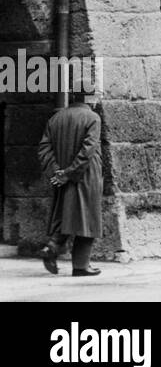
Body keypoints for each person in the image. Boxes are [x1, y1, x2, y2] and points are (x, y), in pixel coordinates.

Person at [37, 84, 104, 276]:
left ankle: (51, 247)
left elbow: (44, 149)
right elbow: (88, 150)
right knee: (87, 220)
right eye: (95, 96)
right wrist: (70, 173)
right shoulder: (93, 118)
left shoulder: (56, 118)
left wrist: (57, 173)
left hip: (63, 178)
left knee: (66, 215)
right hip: (85, 176)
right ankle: (81, 266)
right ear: (88, 98)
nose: (97, 99)